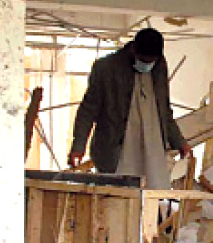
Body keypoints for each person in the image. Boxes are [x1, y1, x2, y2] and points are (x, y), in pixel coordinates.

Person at [68, 28, 191, 189]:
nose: (147, 65)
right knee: (116, 195)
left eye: (151, 61)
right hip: (115, 148)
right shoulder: (106, 68)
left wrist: (180, 142)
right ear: (133, 49)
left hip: (152, 147)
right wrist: (78, 147)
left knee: (154, 193)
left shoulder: (159, 66)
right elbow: (88, 110)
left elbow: (164, 110)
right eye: (143, 60)